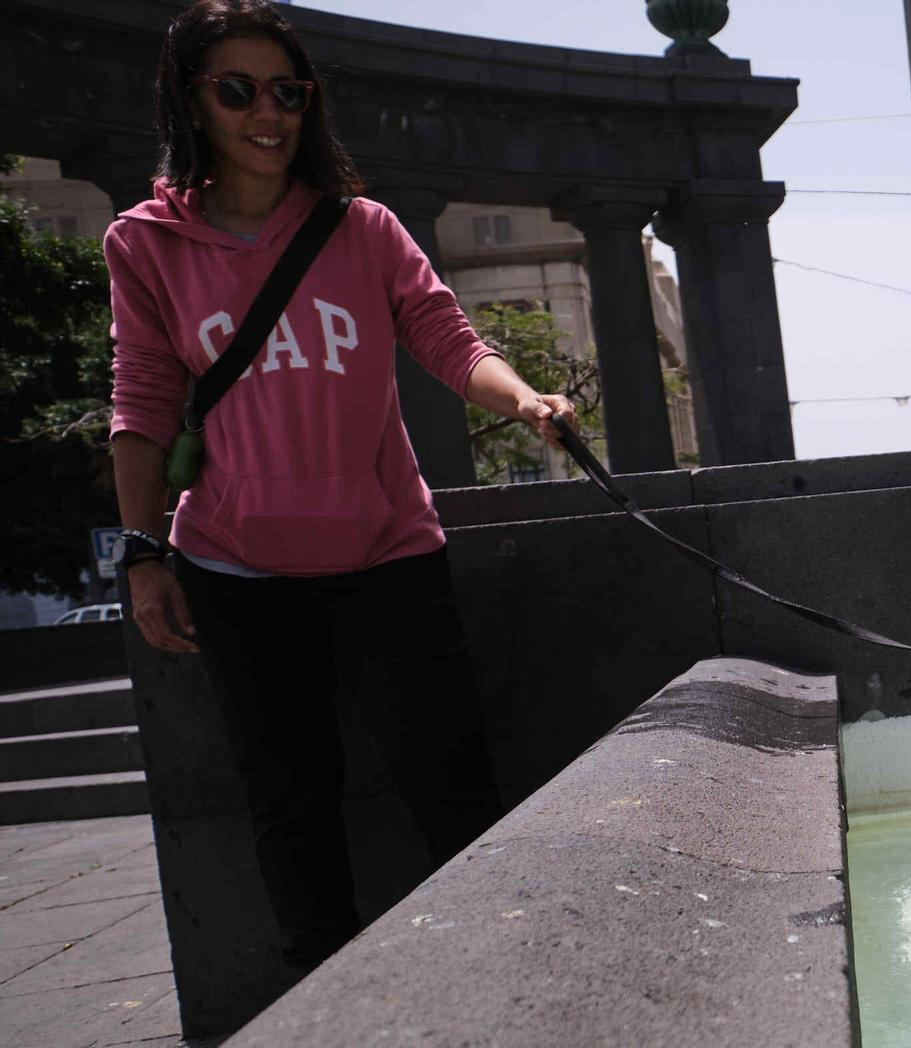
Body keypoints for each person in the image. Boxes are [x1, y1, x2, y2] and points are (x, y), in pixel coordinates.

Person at [106, 0, 576, 972]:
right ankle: (320, 1023)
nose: (266, 113)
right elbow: (143, 406)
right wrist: (144, 553)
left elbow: (447, 338)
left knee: (446, 782)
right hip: (232, 567)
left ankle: (503, 980)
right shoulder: (145, 244)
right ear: (190, 100)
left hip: (385, 554)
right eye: (237, 91)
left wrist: (525, 399)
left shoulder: (359, 229)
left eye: (287, 90)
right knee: (289, 802)